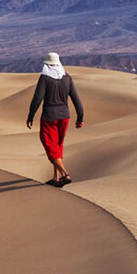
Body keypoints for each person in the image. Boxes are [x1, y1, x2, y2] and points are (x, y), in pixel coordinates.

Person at [26, 51, 84, 187]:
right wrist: (80, 118)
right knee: (58, 146)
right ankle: (56, 178)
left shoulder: (45, 78)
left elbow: (37, 98)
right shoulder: (67, 78)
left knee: (49, 145)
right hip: (64, 116)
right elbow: (77, 100)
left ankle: (65, 174)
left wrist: (30, 115)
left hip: (49, 116)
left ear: (47, 65)